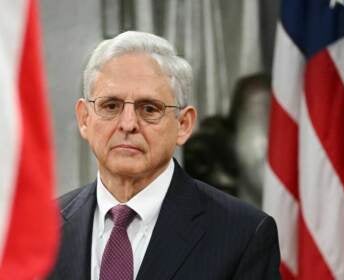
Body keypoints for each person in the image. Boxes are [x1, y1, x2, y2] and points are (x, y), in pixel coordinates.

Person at [48, 31, 280, 280]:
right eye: (111, 106)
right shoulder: (40, 229)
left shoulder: (243, 235)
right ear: (85, 118)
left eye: (149, 109)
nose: (128, 124)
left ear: (183, 125)